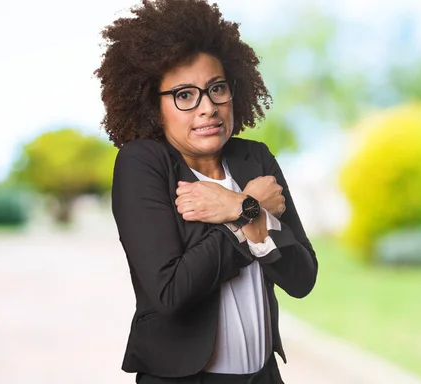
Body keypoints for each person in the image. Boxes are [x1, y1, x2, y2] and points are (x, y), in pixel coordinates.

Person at [94, 1, 318, 383]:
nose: (208, 108)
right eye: (184, 95)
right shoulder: (143, 163)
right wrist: (247, 215)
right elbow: (170, 292)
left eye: (217, 88)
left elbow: (302, 277)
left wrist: (240, 208)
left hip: (264, 375)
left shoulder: (254, 158)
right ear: (153, 104)